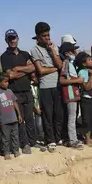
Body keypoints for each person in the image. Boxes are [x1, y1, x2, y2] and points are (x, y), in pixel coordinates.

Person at [1, 29, 36, 155]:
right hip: (15, 92)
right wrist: (24, 71)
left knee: (30, 118)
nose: (12, 40)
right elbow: (10, 75)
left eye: (14, 38)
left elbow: (33, 67)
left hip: (27, 90)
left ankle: (33, 142)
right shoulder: (4, 57)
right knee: (20, 120)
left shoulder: (25, 54)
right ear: (6, 40)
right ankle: (25, 143)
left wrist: (18, 69)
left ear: (17, 38)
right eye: (9, 38)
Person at [30, 22, 64, 153]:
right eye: (44, 36)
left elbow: (60, 65)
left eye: (48, 35)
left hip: (56, 85)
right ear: (38, 37)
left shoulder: (52, 47)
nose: (47, 38)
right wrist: (54, 68)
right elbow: (41, 70)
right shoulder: (34, 50)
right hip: (45, 87)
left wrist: (53, 51)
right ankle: (50, 140)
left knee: (58, 114)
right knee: (48, 115)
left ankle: (57, 137)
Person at [0, 74, 23, 159]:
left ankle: (16, 151)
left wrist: (19, 114)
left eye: (7, 81)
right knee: (5, 137)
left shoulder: (10, 91)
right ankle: (6, 152)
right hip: (4, 120)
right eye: (5, 82)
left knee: (15, 136)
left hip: (13, 118)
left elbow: (15, 102)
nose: (7, 83)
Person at [58, 42, 83, 149]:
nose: (76, 53)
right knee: (72, 117)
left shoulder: (71, 63)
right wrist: (78, 80)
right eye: (74, 51)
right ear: (68, 53)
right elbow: (62, 80)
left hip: (74, 93)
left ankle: (73, 138)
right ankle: (72, 140)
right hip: (70, 94)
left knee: (73, 116)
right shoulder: (66, 63)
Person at [75, 52, 92, 147]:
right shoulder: (82, 72)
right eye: (89, 60)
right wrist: (91, 77)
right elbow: (87, 87)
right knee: (86, 119)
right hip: (85, 98)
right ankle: (86, 138)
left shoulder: (90, 70)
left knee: (91, 118)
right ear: (84, 63)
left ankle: (89, 137)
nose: (91, 61)